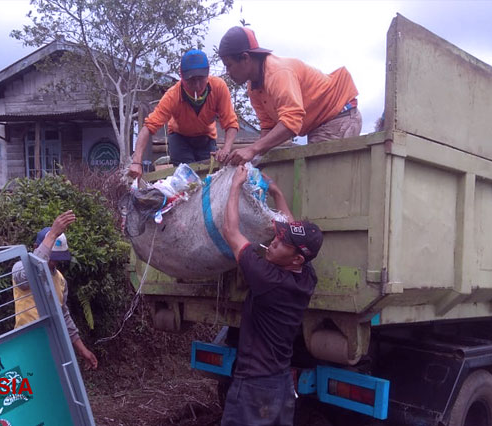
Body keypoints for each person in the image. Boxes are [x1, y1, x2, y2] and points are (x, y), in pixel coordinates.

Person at [220, 166, 323, 426]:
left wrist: (234, 185)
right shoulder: (306, 277)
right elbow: (289, 226)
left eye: (281, 244)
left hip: (255, 387)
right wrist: (277, 193)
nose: (274, 243)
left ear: (296, 258)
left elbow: (231, 232)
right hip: (280, 385)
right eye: (277, 238)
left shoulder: (268, 279)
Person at [218, 26, 361, 166]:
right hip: (319, 125)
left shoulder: (278, 73)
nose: (228, 72)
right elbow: (268, 126)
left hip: (338, 115)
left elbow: (292, 122)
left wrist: (252, 149)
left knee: (323, 180)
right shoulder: (254, 87)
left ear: (245, 58)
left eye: (229, 65)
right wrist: (252, 158)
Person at [127, 49, 239, 179]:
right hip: (180, 137)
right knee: (187, 179)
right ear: (182, 76)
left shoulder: (219, 87)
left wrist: (226, 149)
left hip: (206, 137)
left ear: (208, 74)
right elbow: (148, 128)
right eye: (191, 80)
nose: (197, 85)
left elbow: (231, 123)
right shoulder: (173, 96)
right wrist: (136, 162)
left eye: (201, 79)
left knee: (209, 177)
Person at [11, 210, 99, 370]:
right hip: (26, 345)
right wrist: (51, 236)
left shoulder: (60, 280)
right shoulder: (21, 268)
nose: (54, 264)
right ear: (37, 247)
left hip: (51, 347)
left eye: (58, 259)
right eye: (52, 258)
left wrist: (82, 349)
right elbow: (26, 277)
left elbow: (63, 315)